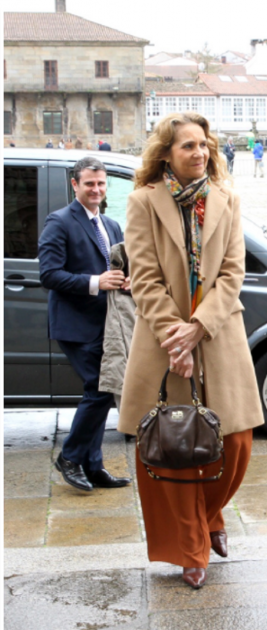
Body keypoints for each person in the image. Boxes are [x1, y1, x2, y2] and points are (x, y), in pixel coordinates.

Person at [118, 111, 263, 590]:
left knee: (236, 441)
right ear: (166, 153)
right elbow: (143, 278)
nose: (199, 153)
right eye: (188, 146)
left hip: (219, 334)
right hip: (162, 342)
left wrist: (198, 328)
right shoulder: (142, 202)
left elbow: (233, 273)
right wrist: (174, 337)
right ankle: (190, 549)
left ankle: (211, 513)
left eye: (204, 145)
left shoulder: (227, 198)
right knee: (171, 448)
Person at [38, 156, 132, 494]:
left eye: (101, 183)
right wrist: (95, 282)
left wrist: (126, 282)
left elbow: (119, 268)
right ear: (75, 184)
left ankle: (93, 466)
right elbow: (48, 275)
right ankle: (71, 457)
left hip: (107, 321)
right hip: (75, 323)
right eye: (89, 183)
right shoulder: (59, 221)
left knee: (102, 389)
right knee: (101, 387)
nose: (96, 189)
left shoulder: (111, 225)